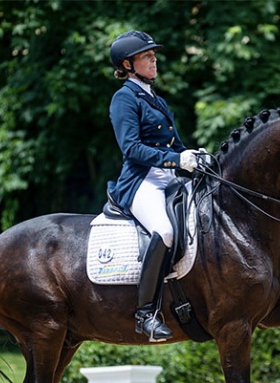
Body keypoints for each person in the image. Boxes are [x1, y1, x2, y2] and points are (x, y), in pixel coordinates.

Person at [108, 30, 200, 342]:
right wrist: (177, 160)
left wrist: (194, 157)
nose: (154, 60)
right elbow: (131, 149)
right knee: (166, 231)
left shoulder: (154, 98)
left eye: (153, 55)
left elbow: (174, 143)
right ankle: (145, 314)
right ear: (128, 64)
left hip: (169, 178)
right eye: (147, 56)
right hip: (142, 181)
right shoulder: (124, 98)